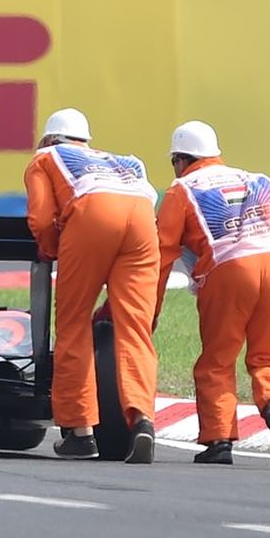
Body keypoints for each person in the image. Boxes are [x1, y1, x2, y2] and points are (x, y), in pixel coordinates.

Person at [154, 121, 270, 464]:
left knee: (217, 360)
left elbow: (161, 252)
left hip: (229, 271)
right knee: (269, 356)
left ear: (181, 159)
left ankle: (219, 439)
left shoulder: (182, 190)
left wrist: (149, 310)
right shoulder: (258, 179)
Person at [24, 108, 159, 463]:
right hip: (143, 219)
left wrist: (53, 248)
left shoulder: (46, 156)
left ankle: (80, 432)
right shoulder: (126, 160)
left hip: (93, 214)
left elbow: (39, 217)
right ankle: (142, 417)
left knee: (73, 323)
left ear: (50, 138)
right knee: (135, 329)